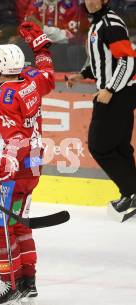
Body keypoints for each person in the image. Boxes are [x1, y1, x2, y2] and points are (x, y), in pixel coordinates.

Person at [0, 22, 54, 304]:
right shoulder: (33, 81)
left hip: (13, 173)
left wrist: (6, 165)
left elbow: (15, 137)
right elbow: (47, 72)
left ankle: (10, 284)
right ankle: (28, 283)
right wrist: (42, 47)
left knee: (0, 229)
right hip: (33, 167)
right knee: (21, 226)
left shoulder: (3, 97)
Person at [66, 0, 136, 221]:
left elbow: (128, 61)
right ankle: (130, 193)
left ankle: (132, 192)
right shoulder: (97, 24)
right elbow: (102, 57)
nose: (90, 1)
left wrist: (110, 89)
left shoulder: (110, 23)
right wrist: (84, 73)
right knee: (119, 147)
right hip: (119, 92)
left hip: (118, 93)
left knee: (100, 146)